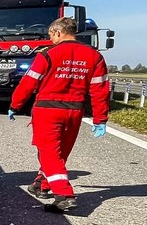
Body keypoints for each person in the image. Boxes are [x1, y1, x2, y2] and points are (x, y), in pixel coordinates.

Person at [8, 16, 109, 213]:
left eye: (51, 36)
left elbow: (29, 82)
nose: (51, 39)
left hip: (48, 110)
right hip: (74, 111)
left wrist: (15, 105)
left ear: (58, 33)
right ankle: (42, 185)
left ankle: (64, 195)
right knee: (60, 152)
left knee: (49, 154)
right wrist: (100, 119)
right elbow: (100, 90)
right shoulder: (94, 56)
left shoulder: (48, 54)